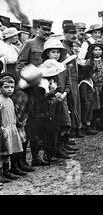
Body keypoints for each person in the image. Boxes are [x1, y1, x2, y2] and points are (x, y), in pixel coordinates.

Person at [16, 19, 53, 167]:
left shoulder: (49, 45)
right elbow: (20, 65)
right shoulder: (30, 44)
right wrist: (30, 78)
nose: (48, 32)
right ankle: (24, 160)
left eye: (49, 29)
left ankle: (38, 156)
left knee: (42, 123)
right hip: (32, 90)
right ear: (37, 28)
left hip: (45, 91)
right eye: (45, 29)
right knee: (30, 124)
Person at [41, 38, 74, 159]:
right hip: (51, 100)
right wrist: (54, 94)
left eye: (58, 52)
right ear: (47, 54)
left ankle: (62, 147)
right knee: (54, 125)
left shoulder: (63, 67)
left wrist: (65, 93)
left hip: (62, 99)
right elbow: (45, 85)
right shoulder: (45, 68)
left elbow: (68, 83)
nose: (56, 55)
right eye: (53, 52)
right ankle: (53, 150)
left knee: (65, 123)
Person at [0, 73, 24, 182]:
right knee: (2, 153)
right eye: (6, 87)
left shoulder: (10, 100)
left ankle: (7, 171)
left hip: (12, 128)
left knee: (8, 153)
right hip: (3, 130)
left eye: (12, 87)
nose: (10, 89)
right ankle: (1, 173)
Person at [62, 23, 83, 138]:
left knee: (76, 102)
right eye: (71, 33)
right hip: (68, 79)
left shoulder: (71, 47)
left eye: (75, 33)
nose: (74, 35)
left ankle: (77, 126)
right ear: (65, 34)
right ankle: (73, 128)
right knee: (72, 103)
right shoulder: (63, 48)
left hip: (75, 78)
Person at [85, 42, 103, 131]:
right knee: (95, 106)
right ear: (92, 51)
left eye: (99, 50)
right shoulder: (89, 61)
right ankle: (93, 125)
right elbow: (87, 74)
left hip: (102, 86)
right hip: (94, 87)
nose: (97, 52)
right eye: (95, 50)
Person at [78, 65, 97, 135]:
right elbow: (83, 94)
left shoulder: (90, 81)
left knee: (89, 115)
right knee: (84, 115)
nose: (94, 75)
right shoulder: (83, 83)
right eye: (93, 73)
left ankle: (88, 128)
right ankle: (82, 128)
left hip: (91, 101)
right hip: (86, 102)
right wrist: (86, 101)